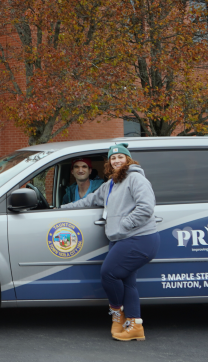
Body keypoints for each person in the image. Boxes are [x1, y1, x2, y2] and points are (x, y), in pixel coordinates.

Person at [61, 143, 158, 341]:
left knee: (109, 274)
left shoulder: (135, 178)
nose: (116, 161)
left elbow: (146, 207)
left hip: (139, 238)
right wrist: (62, 208)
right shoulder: (112, 183)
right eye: (113, 158)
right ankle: (135, 326)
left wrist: (123, 225)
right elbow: (89, 200)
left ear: (128, 159)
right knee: (128, 282)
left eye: (120, 157)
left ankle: (117, 314)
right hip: (121, 239)